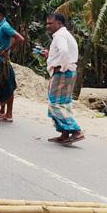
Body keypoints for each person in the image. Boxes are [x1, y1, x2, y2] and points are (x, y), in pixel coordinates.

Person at [43, 12, 83, 144]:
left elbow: (65, 52)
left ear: (59, 23)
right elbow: (63, 52)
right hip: (68, 71)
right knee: (64, 103)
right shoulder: (64, 35)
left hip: (63, 72)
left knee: (55, 103)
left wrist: (62, 67)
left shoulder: (60, 36)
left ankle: (75, 130)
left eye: (50, 23)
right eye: (47, 23)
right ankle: (65, 133)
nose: (48, 26)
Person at [0, 3, 25, 122]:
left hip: (2, 62)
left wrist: (7, 50)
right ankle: (3, 112)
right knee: (5, 86)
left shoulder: (5, 26)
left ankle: (8, 113)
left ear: (0, 15)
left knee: (8, 87)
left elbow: (20, 38)